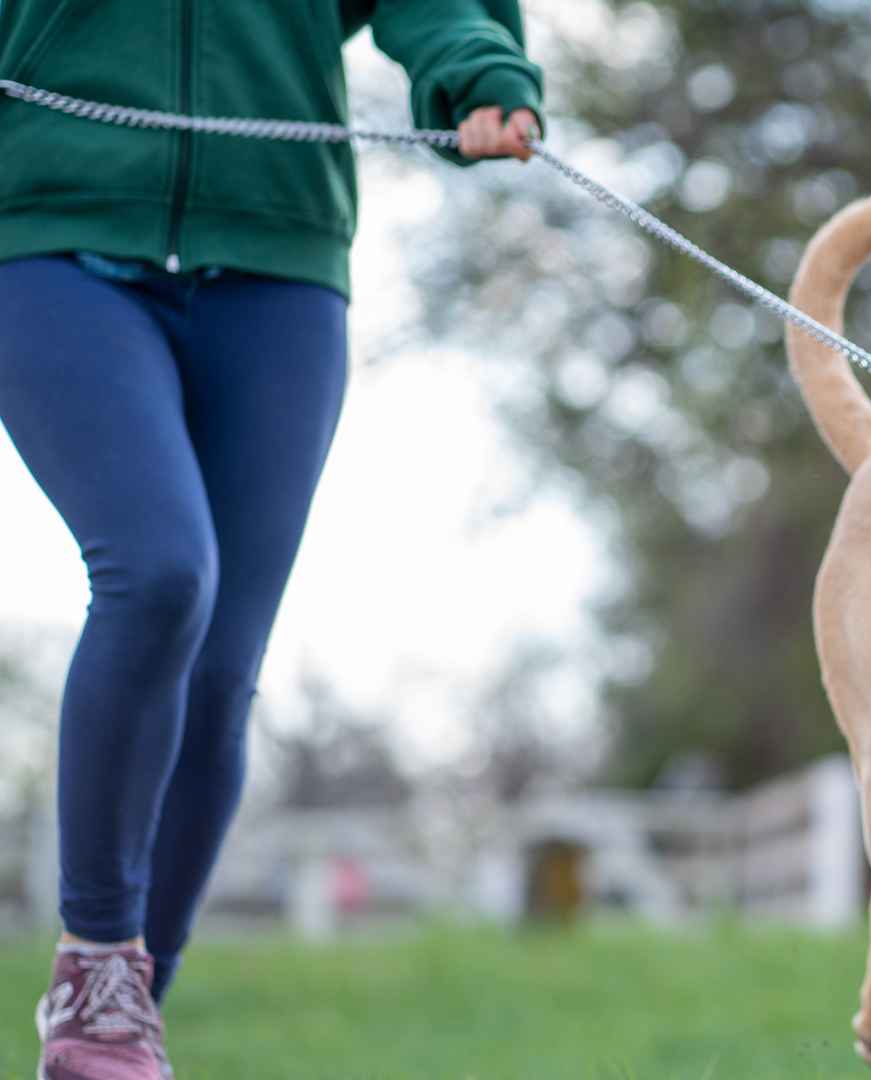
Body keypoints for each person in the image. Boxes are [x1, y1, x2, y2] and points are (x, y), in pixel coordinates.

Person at [0, 3, 543, 1077]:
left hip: (278, 256)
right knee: (158, 573)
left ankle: (129, 1016)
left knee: (220, 668)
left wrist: (478, 69)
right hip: (47, 226)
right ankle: (99, 974)